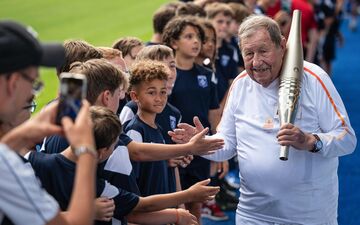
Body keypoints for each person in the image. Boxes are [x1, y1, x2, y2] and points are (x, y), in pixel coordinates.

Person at [170, 14, 357, 225]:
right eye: (248, 53)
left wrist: (310, 141)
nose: (256, 62)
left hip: (308, 215)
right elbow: (228, 144)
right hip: (253, 214)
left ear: (282, 45)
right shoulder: (241, 85)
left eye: (263, 51)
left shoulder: (313, 79)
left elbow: (347, 139)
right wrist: (201, 146)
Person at [28, 106, 218, 225]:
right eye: (115, 146)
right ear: (102, 152)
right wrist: (189, 195)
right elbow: (142, 205)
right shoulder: (98, 187)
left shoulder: (33, 161)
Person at [0, 20, 97, 225]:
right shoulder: (7, 166)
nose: (31, 94)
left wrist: (23, 135)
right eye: (34, 83)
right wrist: (87, 151)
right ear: (13, 83)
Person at [162, 16, 220, 224]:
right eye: (188, 36)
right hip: (173, 150)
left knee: (197, 201)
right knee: (176, 204)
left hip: (200, 148)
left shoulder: (206, 74)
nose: (196, 42)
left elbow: (214, 112)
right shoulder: (166, 77)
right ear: (174, 42)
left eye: (198, 37)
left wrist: (217, 150)